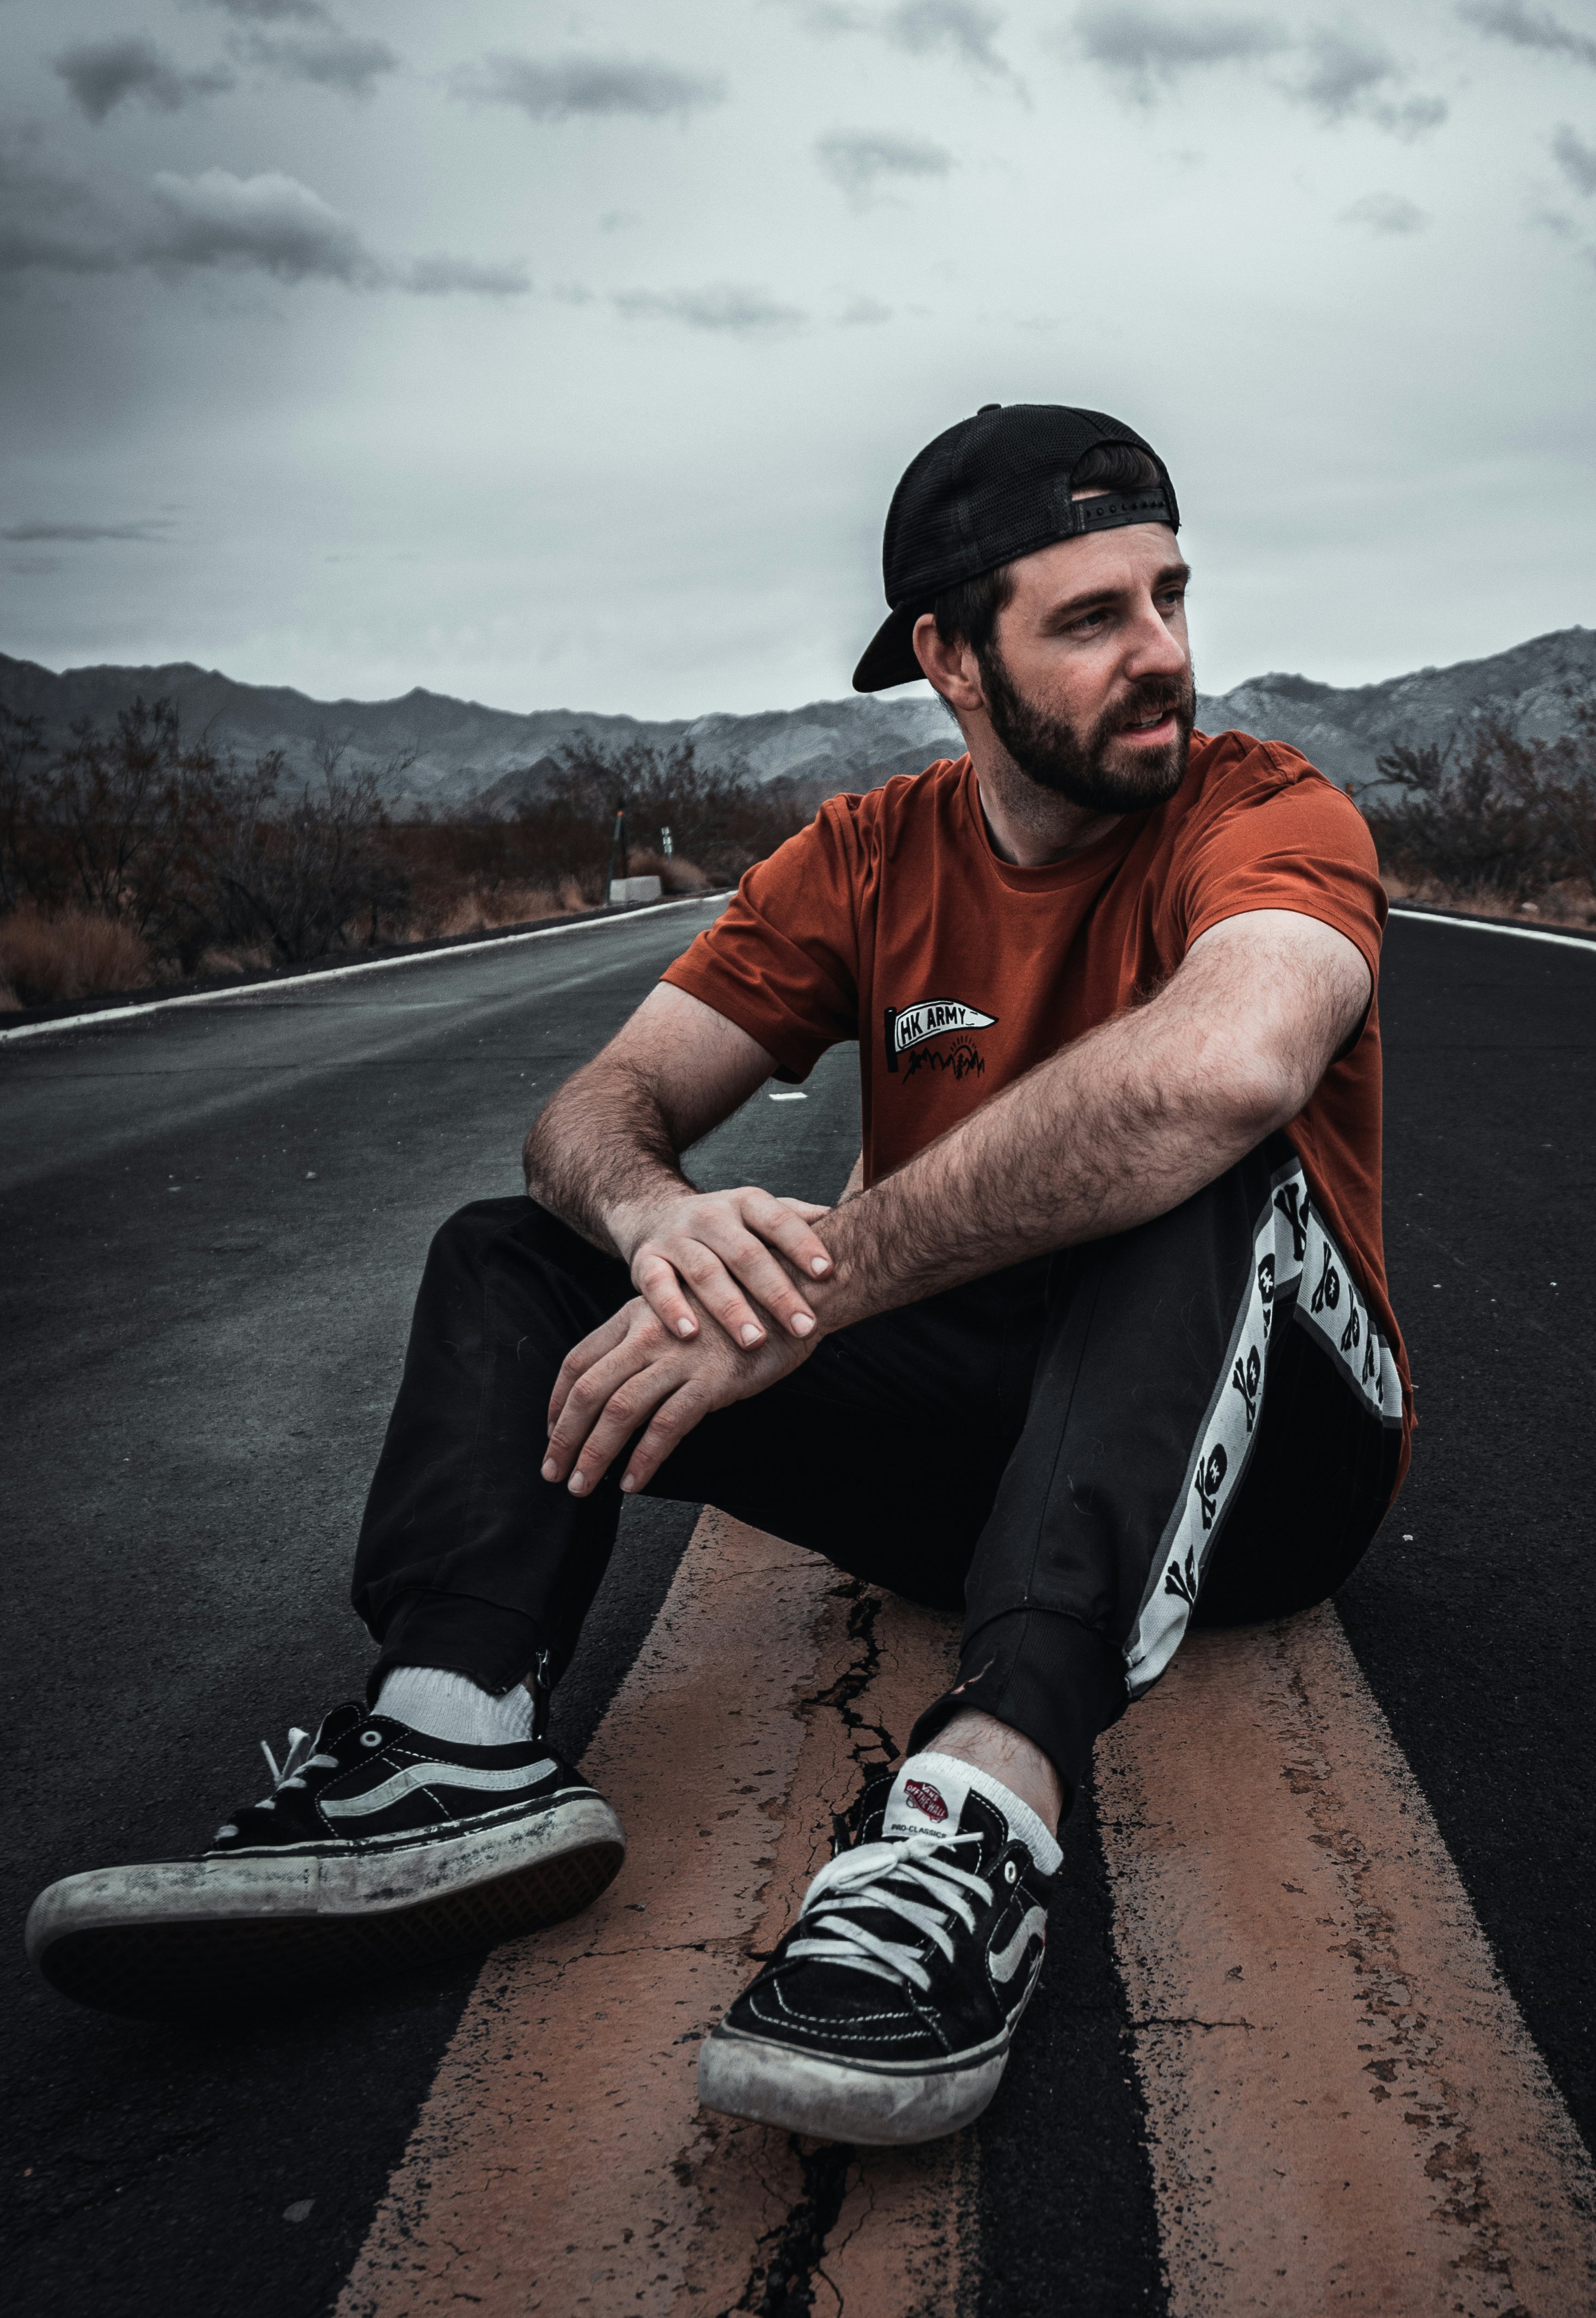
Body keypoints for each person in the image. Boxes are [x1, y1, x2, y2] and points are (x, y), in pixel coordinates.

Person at [27, 403, 1410, 2149]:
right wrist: (656, 1222)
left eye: (1167, 593)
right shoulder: (864, 856)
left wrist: (824, 1280)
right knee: (517, 1253)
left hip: (1275, 1465)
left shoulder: (1268, 810)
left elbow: (1227, 1067)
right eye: (1090, 618)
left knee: (1197, 1159)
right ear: (949, 657)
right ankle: (450, 1737)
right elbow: (593, 1112)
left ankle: (976, 1821)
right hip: (989, 1451)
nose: (1165, 657)